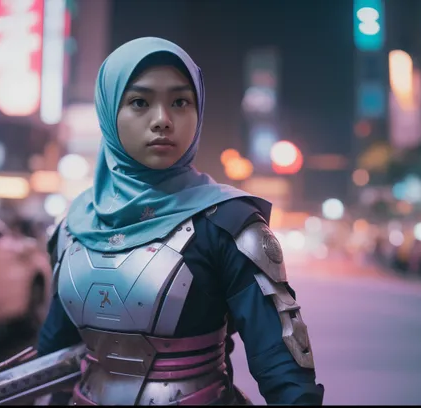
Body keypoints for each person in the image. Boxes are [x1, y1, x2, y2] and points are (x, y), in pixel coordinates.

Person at [38, 36, 325, 406]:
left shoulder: (228, 223)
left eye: (180, 102)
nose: (163, 120)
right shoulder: (74, 225)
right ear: (109, 111)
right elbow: (53, 352)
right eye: (140, 102)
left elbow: (282, 368)